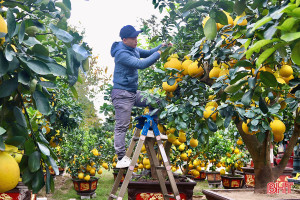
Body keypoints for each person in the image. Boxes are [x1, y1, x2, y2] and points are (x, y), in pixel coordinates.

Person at [110, 25, 164, 168]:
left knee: (156, 101)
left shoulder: (133, 49)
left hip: (132, 93)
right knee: (122, 126)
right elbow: (141, 64)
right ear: (124, 39)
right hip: (122, 94)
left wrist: (161, 46)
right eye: (133, 38)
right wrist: (158, 54)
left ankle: (152, 126)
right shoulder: (122, 54)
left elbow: (148, 53)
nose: (136, 40)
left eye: (136, 37)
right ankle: (121, 158)